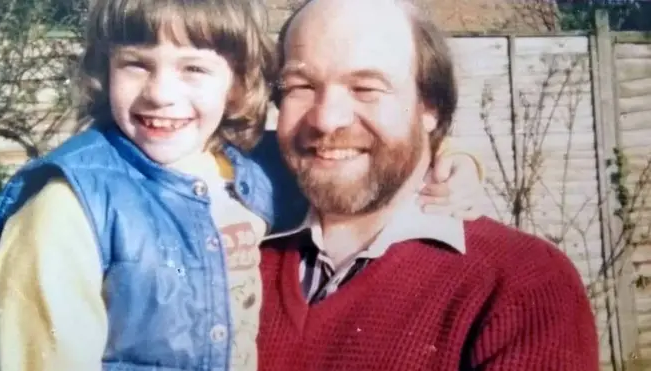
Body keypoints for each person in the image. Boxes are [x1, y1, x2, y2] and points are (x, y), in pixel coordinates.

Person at [0, 0, 484, 370]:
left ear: (238, 82)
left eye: (194, 69)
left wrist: (451, 160)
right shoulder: (66, 207)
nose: (161, 94)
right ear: (105, 70)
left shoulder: (250, 171)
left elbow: (351, 151)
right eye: (136, 64)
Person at [257, 0, 600, 370]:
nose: (326, 118)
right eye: (301, 86)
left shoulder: (520, 285)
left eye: (365, 88)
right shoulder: (230, 253)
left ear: (430, 106)